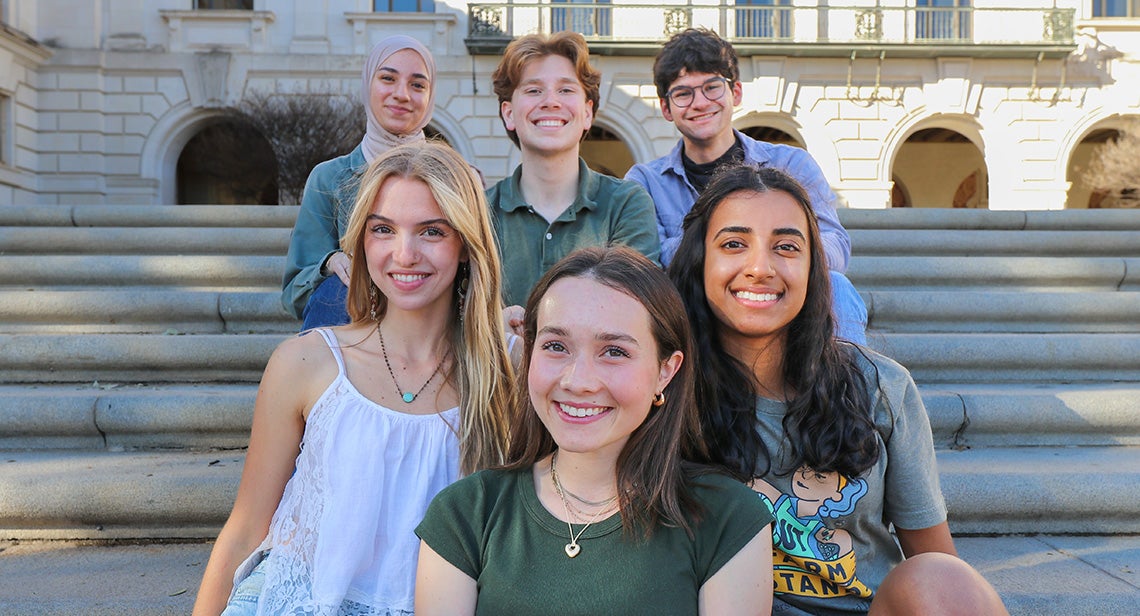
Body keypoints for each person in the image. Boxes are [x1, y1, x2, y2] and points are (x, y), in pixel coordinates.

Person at [669, 164, 1007, 615]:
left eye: (786, 247)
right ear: (699, 260)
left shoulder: (880, 386)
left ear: (813, 268)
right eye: (734, 244)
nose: (760, 268)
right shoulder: (662, 385)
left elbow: (935, 558)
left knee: (940, 577)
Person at [193, 142, 514, 615]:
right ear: (361, 241)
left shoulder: (508, 368)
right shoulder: (306, 363)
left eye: (431, 231)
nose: (404, 254)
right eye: (383, 229)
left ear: (465, 243)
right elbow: (245, 527)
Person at [414, 247, 774, 616]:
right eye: (556, 346)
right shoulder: (464, 514)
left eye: (614, 352)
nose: (578, 381)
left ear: (665, 371)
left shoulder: (728, 521)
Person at [625, 28, 867, 344]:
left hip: (778, 295)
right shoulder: (645, 181)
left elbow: (834, 243)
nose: (700, 103)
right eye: (683, 93)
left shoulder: (791, 164)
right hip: (694, 310)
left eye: (712, 87)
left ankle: (846, 389)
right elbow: (648, 262)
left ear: (735, 93)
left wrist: (771, 260)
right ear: (667, 108)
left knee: (837, 287)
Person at [487, 32, 661, 309]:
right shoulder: (480, 212)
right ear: (509, 113)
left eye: (566, 90)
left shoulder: (627, 204)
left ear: (588, 113)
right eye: (533, 90)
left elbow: (632, 308)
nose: (550, 102)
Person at [282, 35, 437, 330]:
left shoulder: (452, 179)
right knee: (336, 290)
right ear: (368, 85)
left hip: (431, 322)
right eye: (388, 79)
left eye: (418, 85)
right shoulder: (328, 179)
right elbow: (296, 291)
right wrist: (330, 263)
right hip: (356, 322)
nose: (402, 94)